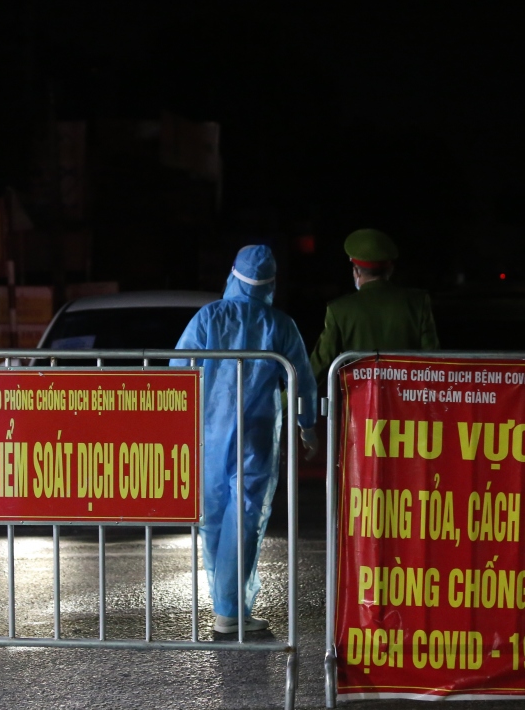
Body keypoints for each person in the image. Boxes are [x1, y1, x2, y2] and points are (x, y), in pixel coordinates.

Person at [172, 245, 318, 634]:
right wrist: (308, 425)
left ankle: (225, 607)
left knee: (214, 519)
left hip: (209, 433)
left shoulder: (208, 317)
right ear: (272, 283)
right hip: (256, 436)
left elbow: (177, 372)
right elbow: (301, 380)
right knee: (246, 518)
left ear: (233, 275)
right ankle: (231, 610)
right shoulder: (281, 325)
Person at [309, 228, 439, 384]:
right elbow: (433, 359)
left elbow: (320, 365)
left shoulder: (339, 310)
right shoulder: (418, 302)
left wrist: (282, 402)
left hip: (360, 402)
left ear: (356, 271)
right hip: (407, 401)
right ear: (390, 269)